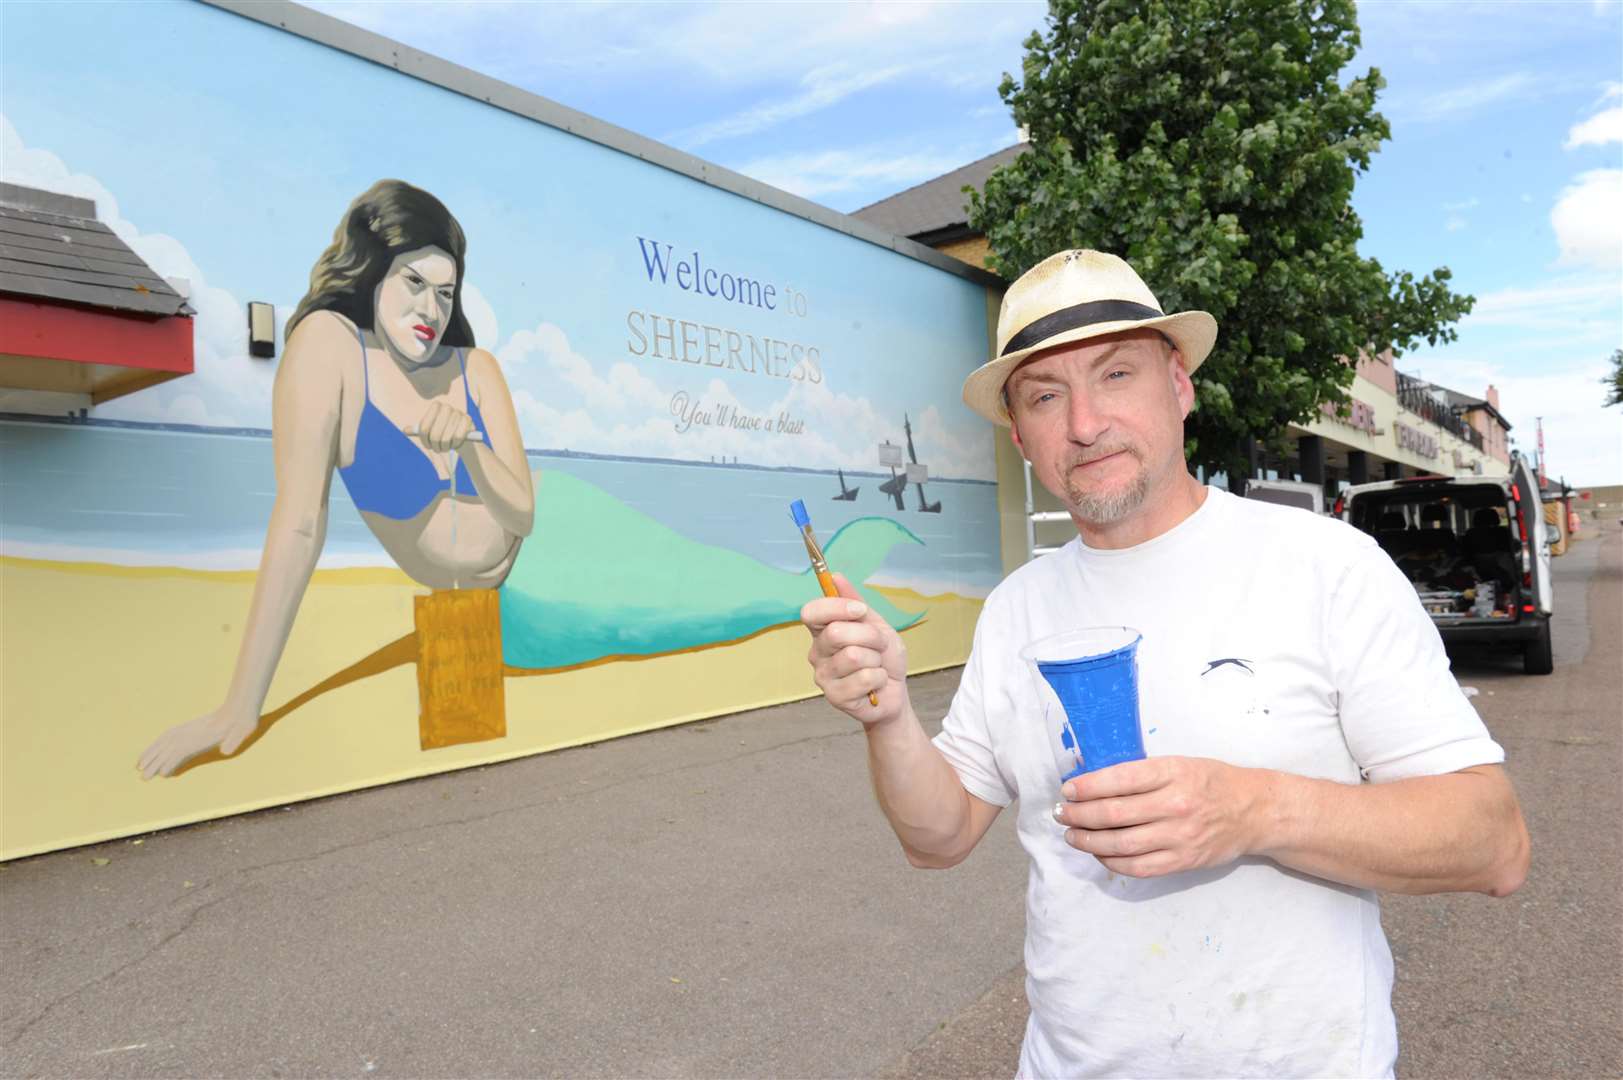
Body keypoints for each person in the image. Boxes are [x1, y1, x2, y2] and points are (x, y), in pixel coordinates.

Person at [800, 250, 1528, 1078]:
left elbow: (1492, 843)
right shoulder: (1019, 608)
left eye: (1115, 375)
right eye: (1045, 395)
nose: (1083, 422)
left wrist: (1252, 810)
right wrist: (887, 713)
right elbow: (937, 837)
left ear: (1177, 386)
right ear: (1018, 435)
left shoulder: (1324, 565)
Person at [138, 180, 534, 779]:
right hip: (479, 612)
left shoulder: (476, 369)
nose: (432, 310)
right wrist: (240, 706)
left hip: (534, 588)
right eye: (415, 283)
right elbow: (300, 522)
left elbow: (524, 516)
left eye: (446, 294)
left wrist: (472, 449)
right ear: (374, 272)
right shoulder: (330, 350)